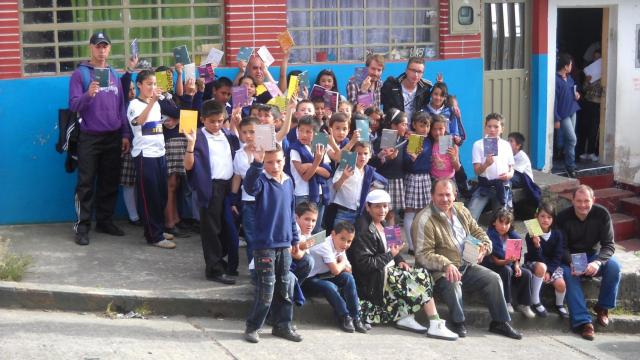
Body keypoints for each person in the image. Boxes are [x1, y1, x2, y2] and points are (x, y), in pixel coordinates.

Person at [412, 179, 523, 339]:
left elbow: (478, 232)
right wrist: (446, 264)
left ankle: (499, 322)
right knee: (453, 281)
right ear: (432, 196)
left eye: (448, 195)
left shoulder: (461, 211)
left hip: (465, 264)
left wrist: (484, 247)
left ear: (455, 195)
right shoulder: (424, 218)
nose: (444, 199)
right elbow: (423, 254)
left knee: (494, 278)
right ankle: (458, 321)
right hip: (437, 271)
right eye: (440, 195)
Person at [347, 189, 459, 341]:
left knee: (416, 273)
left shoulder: (386, 223)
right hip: (374, 279)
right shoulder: (363, 228)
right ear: (368, 207)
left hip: (388, 271)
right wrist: (391, 255)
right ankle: (434, 322)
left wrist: (400, 260)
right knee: (422, 277)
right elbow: (365, 265)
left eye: (385, 206)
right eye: (377, 206)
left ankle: (406, 316)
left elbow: (396, 250)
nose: (382, 210)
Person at [68, 31, 130, 245]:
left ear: (109, 49)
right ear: (91, 48)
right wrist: (89, 94)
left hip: (113, 137)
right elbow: (74, 105)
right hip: (90, 137)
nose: (101, 50)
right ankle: (82, 227)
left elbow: (121, 106)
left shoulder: (113, 72)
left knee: (109, 181)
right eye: (98, 46)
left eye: (105, 46)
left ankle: (104, 221)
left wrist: (124, 133)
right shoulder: (81, 74)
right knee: (85, 183)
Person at [243, 143, 302, 344]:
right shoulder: (261, 181)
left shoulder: (288, 181)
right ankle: (253, 326)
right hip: (264, 245)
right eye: (269, 162)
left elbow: (291, 213)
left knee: (285, 287)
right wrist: (257, 163)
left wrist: (294, 239)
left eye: (278, 161)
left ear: (284, 160)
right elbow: (249, 186)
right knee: (266, 289)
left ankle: (283, 325)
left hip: (284, 244)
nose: (274, 166)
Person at [184, 100, 240, 285]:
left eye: (220, 120)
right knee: (211, 229)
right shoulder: (198, 136)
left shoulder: (226, 134)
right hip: (210, 188)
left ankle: (220, 260)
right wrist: (190, 146)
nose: (216, 125)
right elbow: (189, 166)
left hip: (228, 187)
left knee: (226, 227)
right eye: (212, 121)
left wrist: (234, 125)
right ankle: (214, 269)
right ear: (203, 119)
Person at [557, 185, 621, 341]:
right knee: (568, 275)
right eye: (578, 201)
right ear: (572, 200)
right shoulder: (563, 217)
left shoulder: (602, 214)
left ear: (593, 200)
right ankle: (583, 322)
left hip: (592, 256)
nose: (582, 205)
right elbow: (560, 246)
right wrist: (571, 262)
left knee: (614, 267)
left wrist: (598, 263)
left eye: (586, 201)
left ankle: (603, 307)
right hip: (569, 257)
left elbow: (609, 245)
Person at [127, 70, 175, 249]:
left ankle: (159, 229)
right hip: (144, 155)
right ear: (139, 85)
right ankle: (153, 235)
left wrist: (168, 121)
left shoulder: (156, 103)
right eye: (149, 84)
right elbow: (139, 122)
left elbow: (158, 121)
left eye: (154, 84)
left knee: (162, 194)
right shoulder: (134, 104)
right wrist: (153, 102)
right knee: (150, 196)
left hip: (159, 153)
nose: (152, 88)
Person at [304, 221, 368, 333]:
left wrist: (341, 263)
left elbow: (349, 270)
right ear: (333, 234)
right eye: (342, 239)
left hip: (323, 275)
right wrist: (342, 261)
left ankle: (355, 317)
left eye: (349, 241)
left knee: (348, 278)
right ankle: (344, 316)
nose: (345, 244)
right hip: (308, 279)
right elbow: (336, 270)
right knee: (329, 286)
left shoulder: (338, 245)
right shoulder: (324, 243)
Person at [481, 208, 535, 318]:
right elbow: (496, 260)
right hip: (493, 266)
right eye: (501, 222)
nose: (503, 226)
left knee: (526, 274)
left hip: (508, 264)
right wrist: (508, 261)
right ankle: (506, 301)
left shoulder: (513, 237)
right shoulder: (490, 237)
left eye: (507, 223)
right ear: (494, 222)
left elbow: (516, 257)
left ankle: (524, 304)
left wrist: (517, 266)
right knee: (507, 270)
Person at [325, 142, 387, 232]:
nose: (362, 157)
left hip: (360, 213)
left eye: (365, 153)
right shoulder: (345, 165)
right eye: (359, 154)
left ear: (370, 155)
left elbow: (383, 182)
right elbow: (335, 187)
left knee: (357, 242)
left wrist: (372, 189)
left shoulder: (369, 170)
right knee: (339, 240)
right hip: (344, 212)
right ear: (353, 155)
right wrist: (344, 177)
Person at [523, 202, 569, 319]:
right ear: (536, 217)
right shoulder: (531, 235)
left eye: (549, 217)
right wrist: (537, 245)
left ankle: (559, 304)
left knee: (561, 285)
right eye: (542, 216)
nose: (545, 220)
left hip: (551, 266)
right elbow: (535, 256)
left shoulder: (558, 235)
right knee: (541, 267)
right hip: (534, 263)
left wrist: (550, 271)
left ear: (553, 219)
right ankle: (535, 300)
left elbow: (558, 256)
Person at [467, 113, 515, 221]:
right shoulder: (478, 145)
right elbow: (477, 172)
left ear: (502, 129)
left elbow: (511, 168)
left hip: (502, 186)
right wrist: (486, 164)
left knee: (503, 219)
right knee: (471, 217)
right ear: (485, 128)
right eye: (489, 126)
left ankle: (497, 237)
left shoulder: (506, 145)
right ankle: (470, 237)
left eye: (496, 126)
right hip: (485, 185)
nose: (492, 129)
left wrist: (509, 174)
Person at [289, 116, 331, 232]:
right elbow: (306, 176)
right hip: (302, 194)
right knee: (301, 230)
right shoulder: (295, 149)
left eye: (308, 132)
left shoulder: (319, 147)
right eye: (301, 130)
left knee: (315, 229)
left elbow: (327, 173)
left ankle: (312, 250)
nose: (303, 134)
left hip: (319, 194)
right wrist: (317, 161)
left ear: (315, 134)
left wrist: (310, 166)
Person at [402, 111, 433, 255]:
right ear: (414, 125)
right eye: (421, 126)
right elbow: (406, 163)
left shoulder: (429, 140)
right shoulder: (413, 139)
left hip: (425, 177)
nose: (425, 129)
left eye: (427, 126)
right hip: (413, 177)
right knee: (410, 212)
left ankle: (421, 244)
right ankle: (412, 246)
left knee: (423, 213)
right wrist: (412, 158)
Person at [380, 57, 432, 123]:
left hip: (415, 131)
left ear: (423, 73)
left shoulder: (425, 88)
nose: (416, 75)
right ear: (406, 70)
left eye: (419, 72)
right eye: (413, 70)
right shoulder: (391, 85)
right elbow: (377, 101)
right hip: (394, 128)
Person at [554, 52, 581, 178]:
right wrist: (556, 118)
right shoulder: (555, 80)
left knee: (570, 139)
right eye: (570, 64)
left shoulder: (569, 78)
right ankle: (570, 166)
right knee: (572, 139)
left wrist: (576, 95)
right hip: (563, 114)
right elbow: (554, 101)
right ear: (565, 66)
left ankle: (567, 162)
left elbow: (572, 91)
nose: (571, 66)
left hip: (572, 110)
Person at [577, 49, 602, 162]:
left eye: (598, 58)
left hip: (597, 103)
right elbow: (584, 89)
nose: (596, 60)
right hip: (588, 102)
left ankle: (592, 152)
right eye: (594, 58)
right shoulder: (590, 72)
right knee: (585, 126)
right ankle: (584, 151)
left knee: (594, 128)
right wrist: (587, 81)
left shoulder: (603, 74)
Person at [430, 114, 461, 182]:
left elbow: (457, 168)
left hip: (449, 180)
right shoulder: (429, 143)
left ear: (445, 128)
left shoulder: (451, 144)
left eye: (440, 129)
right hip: (434, 180)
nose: (437, 132)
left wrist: (453, 157)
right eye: (434, 129)